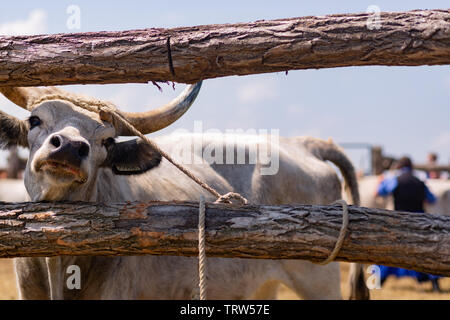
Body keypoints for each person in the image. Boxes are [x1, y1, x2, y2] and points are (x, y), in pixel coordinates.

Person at [375, 156, 441, 292]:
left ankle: (377, 282)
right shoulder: (420, 182)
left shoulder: (394, 180)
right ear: (411, 167)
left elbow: (380, 192)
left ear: (399, 166)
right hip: (421, 223)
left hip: (401, 221)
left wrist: (380, 181)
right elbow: (432, 199)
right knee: (427, 253)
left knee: (389, 252)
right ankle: (435, 285)